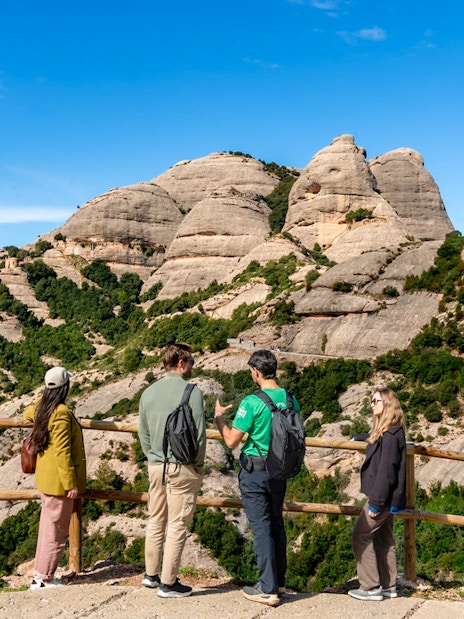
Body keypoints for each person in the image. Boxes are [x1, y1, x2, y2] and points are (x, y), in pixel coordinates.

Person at [214, 349, 300, 608]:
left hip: (255, 471)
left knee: (261, 527)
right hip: (280, 470)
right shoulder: (290, 399)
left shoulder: (251, 402)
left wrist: (219, 419)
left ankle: (267, 588)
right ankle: (279, 581)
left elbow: (231, 441)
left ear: (256, 372)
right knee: (276, 523)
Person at [138, 343, 206, 598]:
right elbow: (199, 436)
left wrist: (152, 457)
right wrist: (197, 467)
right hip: (182, 466)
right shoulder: (192, 392)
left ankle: (151, 575)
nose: (192, 367)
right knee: (178, 524)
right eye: (191, 362)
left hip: (156, 465)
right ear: (181, 363)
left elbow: (143, 434)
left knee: (156, 520)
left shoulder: (148, 392)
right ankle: (169, 583)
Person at [24, 366, 86, 590]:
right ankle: (45, 579)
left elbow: (27, 413)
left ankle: (39, 576)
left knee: (47, 529)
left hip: (46, 480)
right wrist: (71, 484)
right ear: (64, 388)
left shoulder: (42, 408)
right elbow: (62, 453)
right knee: (56, 533)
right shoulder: (60, 412)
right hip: (58, 484)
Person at [348, 388, 407, 601]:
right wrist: (359, 437)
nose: (372, 404)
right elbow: (376, 438)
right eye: (371, 400)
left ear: (388, 404)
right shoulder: (391, 430)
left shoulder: (391, 436)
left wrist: (375, 503)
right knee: (384, 539)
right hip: (389, 498)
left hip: (382, 498)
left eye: (376, 401)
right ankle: (389, 586)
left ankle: (371, 587)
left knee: (360, 535)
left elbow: (387, 472)